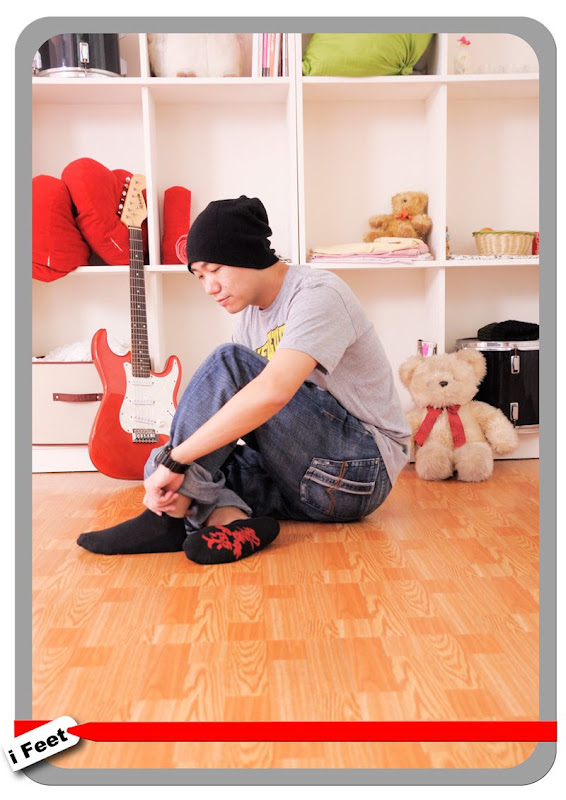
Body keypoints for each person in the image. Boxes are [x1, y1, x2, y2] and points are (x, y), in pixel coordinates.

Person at [78, 196, 410, 564]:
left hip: (360, 471)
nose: (209, 287)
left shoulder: (318, 294)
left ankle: (168, 520)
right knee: (174, 463)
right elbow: (227, 415)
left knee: (190, 437)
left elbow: (273, 392)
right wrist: (173, 462)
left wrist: (177, 460)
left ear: (247, 253)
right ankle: (234, 522)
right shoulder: (251, 318)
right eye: (200, 276)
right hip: (304, 484)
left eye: (215, 269)